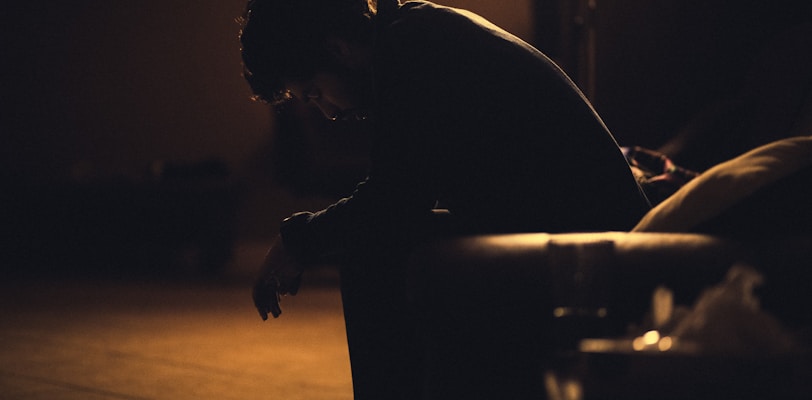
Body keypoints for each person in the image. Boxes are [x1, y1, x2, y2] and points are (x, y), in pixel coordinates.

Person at [240, 0, 650, 398]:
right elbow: (401, 194)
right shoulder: (414, 32)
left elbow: (393, 201)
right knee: (385, 241)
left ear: (338, 49)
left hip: (595, 256)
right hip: (576, 236)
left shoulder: (410, 50)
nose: (327, 112)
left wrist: (298, 239)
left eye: (314, 94)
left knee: (373, 250)